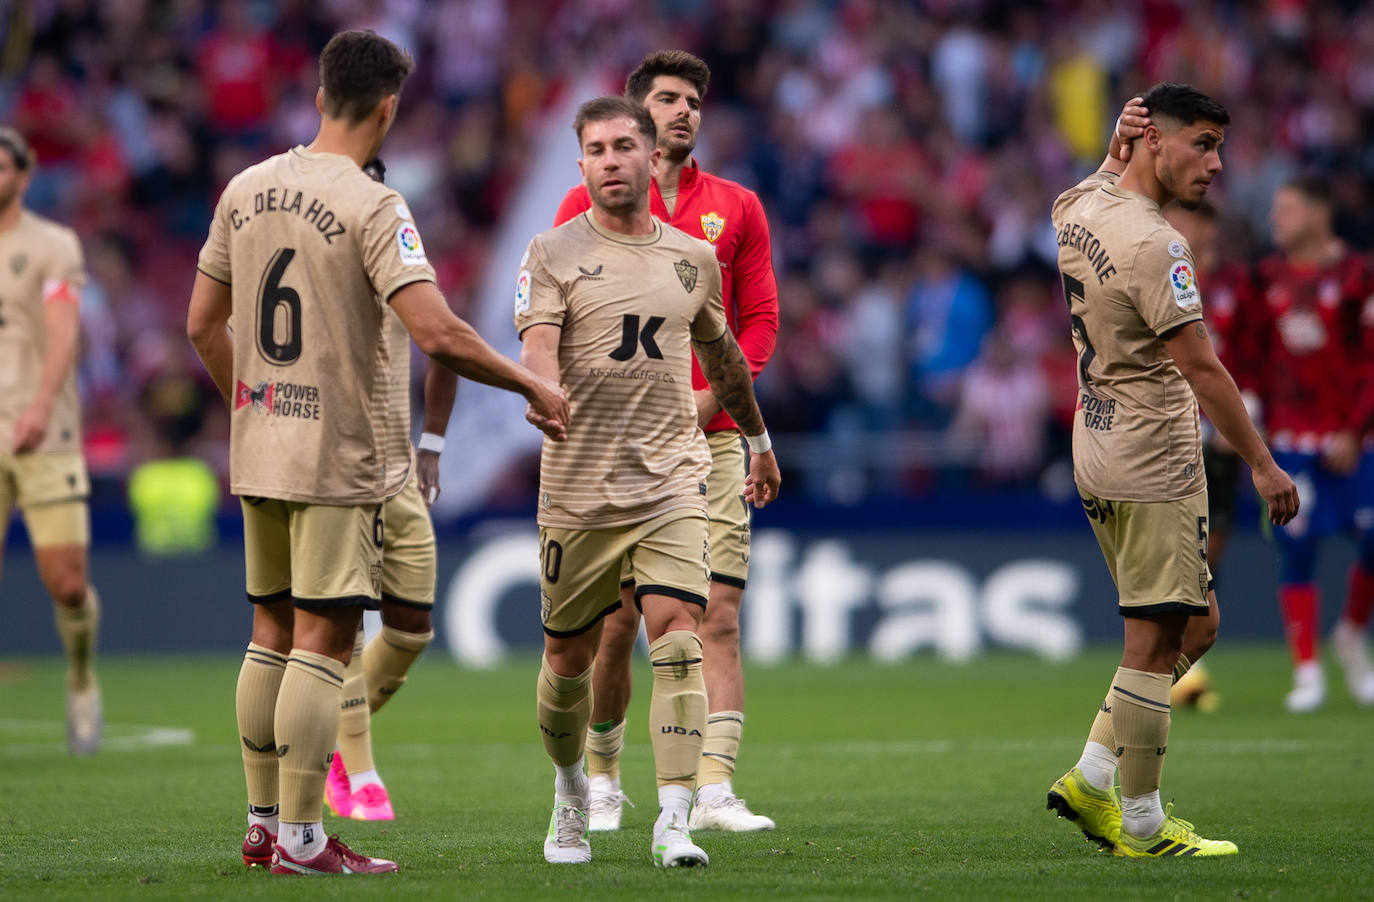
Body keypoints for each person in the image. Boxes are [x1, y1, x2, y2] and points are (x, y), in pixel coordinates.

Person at [187, 30, 567, 876]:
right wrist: (533, 387)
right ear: (389, 108)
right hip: (335, 457)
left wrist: (251, 408)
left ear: (321, 95)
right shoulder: (374, 205)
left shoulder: (245, 188)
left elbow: (200, 324)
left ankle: (260, 826)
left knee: (269, 631)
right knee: (324, 639)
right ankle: (303, 839)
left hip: (264, 444)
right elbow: (438, 332)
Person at [520, 96, 780, 867]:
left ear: (647, 156)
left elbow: (727, 358)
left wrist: (757, 436)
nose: (610, 160)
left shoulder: (691, 259)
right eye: (595, 149)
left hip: (672, 478)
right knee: (568, 663)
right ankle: (571, 793)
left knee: (677, 636)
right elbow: (537, 343)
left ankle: (676, 821)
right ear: (582, 166)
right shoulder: (549, 252)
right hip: (580, 486)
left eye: (622, 146)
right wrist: (543, 390)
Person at [1044, 84, 1299, 858]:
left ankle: (1091, 775)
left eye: (1220, 146)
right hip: (1153, 454)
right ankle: (1145, 822)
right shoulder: (1159, 245)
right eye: (1202, 143)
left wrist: (1118, 148)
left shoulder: (1075, 208)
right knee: (1154, 643)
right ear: (1157, 140)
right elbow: (1204, 370)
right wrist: (1261, 464)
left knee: (1195, 624)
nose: (1217, 164)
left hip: (1095, 439)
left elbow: (1093, 182)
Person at [324, 158, 460, 823]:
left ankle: (325, 747)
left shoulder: (400, 251)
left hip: (398, 469)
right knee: (342, 623)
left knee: (410, 630)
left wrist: (431, 443)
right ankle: (360, 770)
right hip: (332, 471)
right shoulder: (309, 255)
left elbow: (443, 342)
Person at [0, 126, 103, 756]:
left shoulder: (52, 245)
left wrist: (39, 406)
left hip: (44, 432)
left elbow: (64, 335)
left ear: (24, 175)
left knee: (66, 583)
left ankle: (82, 678)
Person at [1255, 175, 1374, 711]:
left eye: (1287, 209)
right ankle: (1306, 671)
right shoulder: (1267, 277)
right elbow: (1251, 356)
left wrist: (1354, 430)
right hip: (1291, 439)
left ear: (1320, 213)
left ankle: (1350, 633)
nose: (1276, 219)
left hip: (1355, 438)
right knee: (1296, 549)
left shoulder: (1359, 275)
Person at [1161, 200, 1261, 711]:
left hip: (1220, 438)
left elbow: (1249, 355)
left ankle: (1176, 661)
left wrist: (1248, 412)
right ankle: (1176, 670)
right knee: (1185, 557)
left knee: (1208, 552)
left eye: (1193, 224)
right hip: (1173, 435)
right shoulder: (1162, 275)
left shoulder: (1233, 288)